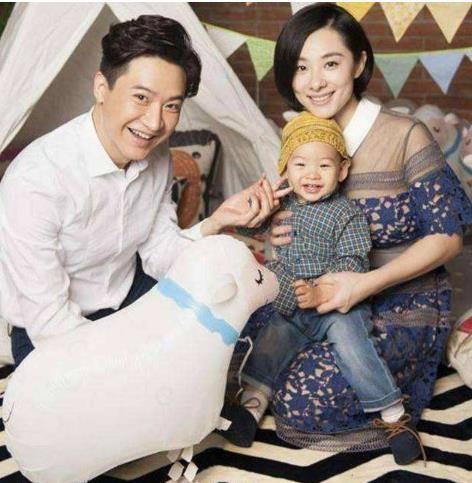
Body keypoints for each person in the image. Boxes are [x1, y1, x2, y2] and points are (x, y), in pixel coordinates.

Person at [227, 2, 472, 463]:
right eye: (301, 67)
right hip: (312, 296)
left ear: (358, 64)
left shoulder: (406, 134)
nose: (315, 82)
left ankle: (395, 417)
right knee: (243, 351)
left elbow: (449, 235)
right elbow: (291, 224)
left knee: (305, 397)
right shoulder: (300, 139)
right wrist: (273, 232)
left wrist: (365, 283)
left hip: (398, 297)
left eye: (330, 64)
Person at [0, 15, 288, 368]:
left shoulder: (156, 155)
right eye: (141, 97)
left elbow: (159, 254)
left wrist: (218, 220)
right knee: (127, 392)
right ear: (101, 87)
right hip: (50, 331)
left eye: (172, 106)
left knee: (234, 316)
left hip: (131, 297)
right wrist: (134, 361)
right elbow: (50, 323)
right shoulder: (36, 179)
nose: (154, 123)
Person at [222, 111, 424, 464]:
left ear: (342, 171)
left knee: (355, 346)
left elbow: (354, 261)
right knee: (270, 342)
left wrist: (320, 291)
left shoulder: (346, 213)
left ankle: (394, 417)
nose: (312, 174)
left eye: (324, 166)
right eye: (300, 164)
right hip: (290, 302)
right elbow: (251, 229)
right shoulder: (282, 204)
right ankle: (252, 405)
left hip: (336, 303)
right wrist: (255, 210)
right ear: (285, 169)